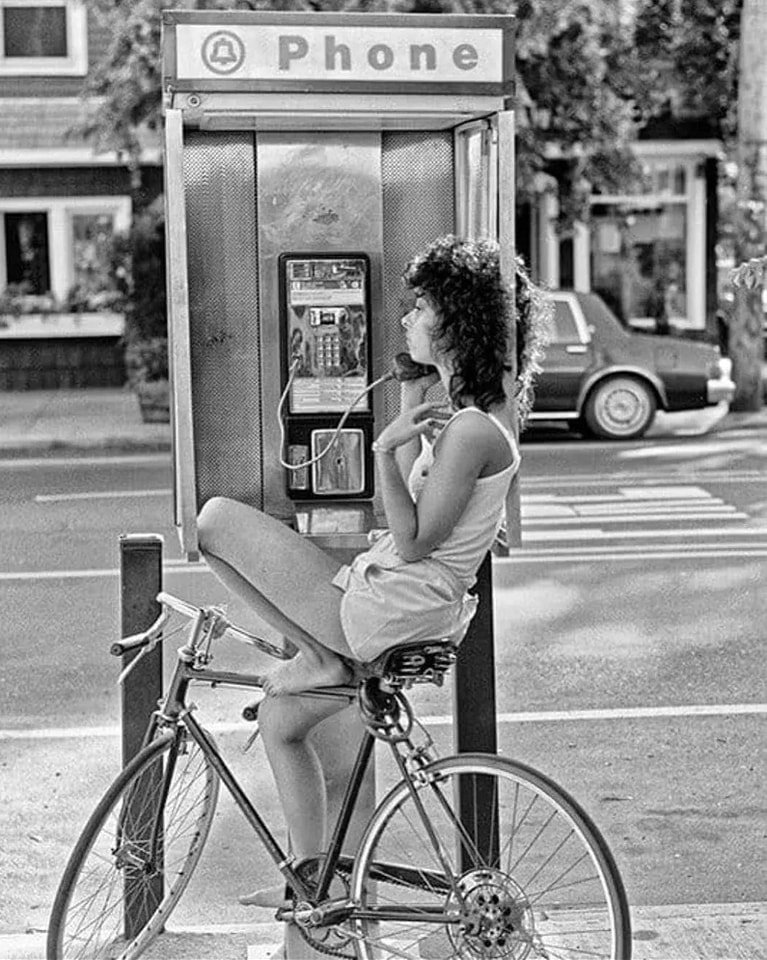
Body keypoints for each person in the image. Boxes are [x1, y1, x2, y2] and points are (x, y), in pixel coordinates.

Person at [196, 235, 549, 901]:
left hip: (392, 601)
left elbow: (412, 539)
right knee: (280, 721)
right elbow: (424, 512)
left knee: (214, 521)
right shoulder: (472, 419)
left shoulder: (473, 430)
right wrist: (412, 404)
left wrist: (385, 449)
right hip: (398, 597)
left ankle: (318, 657)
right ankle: (315, 882)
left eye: (422, 307)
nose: (408, 318)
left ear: (456, 322)